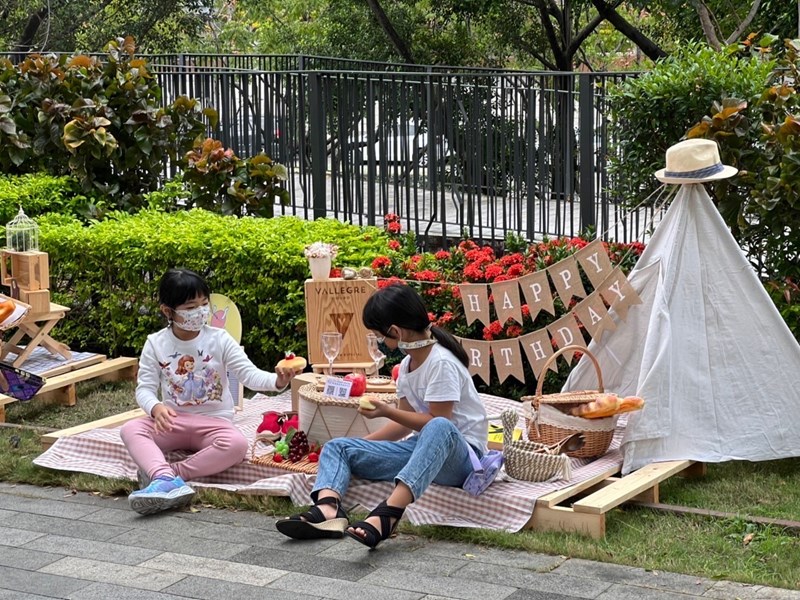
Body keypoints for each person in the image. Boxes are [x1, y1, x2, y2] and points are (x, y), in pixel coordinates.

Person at [276, 283, 488, 548]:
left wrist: (387, 411)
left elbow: (436, 422)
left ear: (396, 332)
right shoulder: (409, 365)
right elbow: (402, 425)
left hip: (461, 459)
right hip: (423, 451)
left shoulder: (441, 363)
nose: (379, 343)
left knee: (440, 427)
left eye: (379, 336)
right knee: (338, 447)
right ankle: (328, 510)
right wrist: (362, 446)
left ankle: (388, 514)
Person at [121, 268, 303, 515]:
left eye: (204, 304)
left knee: (237, 445)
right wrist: (156, 407)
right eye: (190, 307)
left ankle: (169, 477)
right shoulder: (156, 343)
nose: (200, 312)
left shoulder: (220, 339)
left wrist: (278, 381)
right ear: (167, 311)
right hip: (173, 421)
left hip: (215, 422)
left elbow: (249, 375)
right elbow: (144, 388)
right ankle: (163, 477)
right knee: (131, 429)